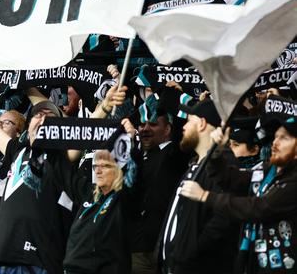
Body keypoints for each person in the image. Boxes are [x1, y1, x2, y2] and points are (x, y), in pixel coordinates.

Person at [0, 90, 69, 274]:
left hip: (41, 260)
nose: (42, 119)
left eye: (50, 117)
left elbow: (83, 133)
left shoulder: (64, 157)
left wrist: (104, 108)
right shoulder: (17, 152)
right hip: (4, 256)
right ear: (28, 126)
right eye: (38, 115)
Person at [180, 116, 297, 273]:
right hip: (253, 263)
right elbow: (231, 179)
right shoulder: (269, 170)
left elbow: (259, 208)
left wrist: (205, 196)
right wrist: (216, 152)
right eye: (276, 137)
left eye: (284, 138)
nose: (275, 143)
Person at [159, 100, 239, 274]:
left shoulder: (225, 167)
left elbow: (221, 222)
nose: (184, 127)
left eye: (188, 121)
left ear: (202, 123)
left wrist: (186, 256)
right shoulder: (195, 166)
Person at [121, 97, 187, 274]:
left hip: (162, 247)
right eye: (141, 124)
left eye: (153, 124)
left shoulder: (173, 154)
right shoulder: (138, 156)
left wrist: (171, 98)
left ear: (168, 129)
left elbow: (182, 137)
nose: (145, 129)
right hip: (137, 247)